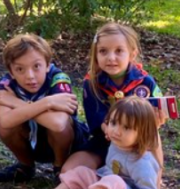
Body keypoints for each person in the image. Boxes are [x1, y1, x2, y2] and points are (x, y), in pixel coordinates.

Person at [21, 97, 162, 189]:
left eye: (126, 127)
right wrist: (91, 179)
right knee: (83, 171)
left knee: (113, 180)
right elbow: (111, 171)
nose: (116, 131)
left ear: (143, 133)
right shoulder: (117, 145)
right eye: (113, 123)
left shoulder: (142, 162)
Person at [62, 22, 166, 174]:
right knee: (68, 171)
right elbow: (96, 119)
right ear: (96, 55)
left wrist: (158, 120)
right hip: (105, 140)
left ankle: (154, 186)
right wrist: (112, 132)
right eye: (103, 51)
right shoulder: (92, 83)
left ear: (132, 54)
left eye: (119, 51)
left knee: (153, 137)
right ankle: (100, 182)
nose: (111, 58)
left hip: (138, 142)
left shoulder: (144, 81)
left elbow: (158, 111)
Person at [0, 34, 89, 183]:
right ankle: (25, 166)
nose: (30, 76)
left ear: (48, 64)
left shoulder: (58, 79)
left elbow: (58, 124)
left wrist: (19, 103)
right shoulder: (6, 84)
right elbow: (5, 121)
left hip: (66, 145)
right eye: (20, 69)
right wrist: (48, 104)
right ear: (11, 71)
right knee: (3, 126)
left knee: (61, 128)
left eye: (36, 66)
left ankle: (59, 168)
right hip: (30, 140)